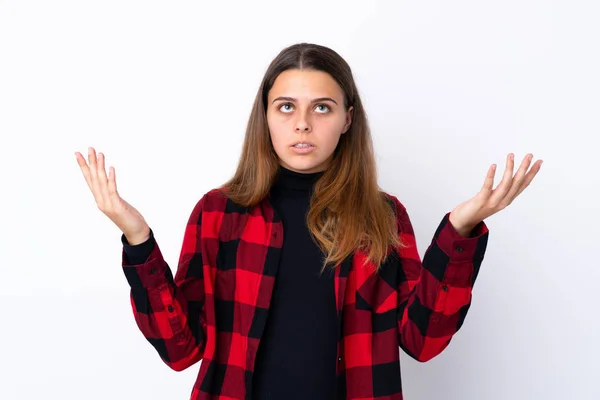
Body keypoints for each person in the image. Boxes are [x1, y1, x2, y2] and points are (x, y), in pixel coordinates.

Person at [75, 43, 542, 400]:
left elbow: (422, 341)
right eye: (286, 107)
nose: (303, 124)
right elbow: (180, 350)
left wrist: (459, 231)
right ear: (266, 117)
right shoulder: (218, 214)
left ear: (347, 120)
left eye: (321, 107)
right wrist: (137, 239)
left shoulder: (383, 216)